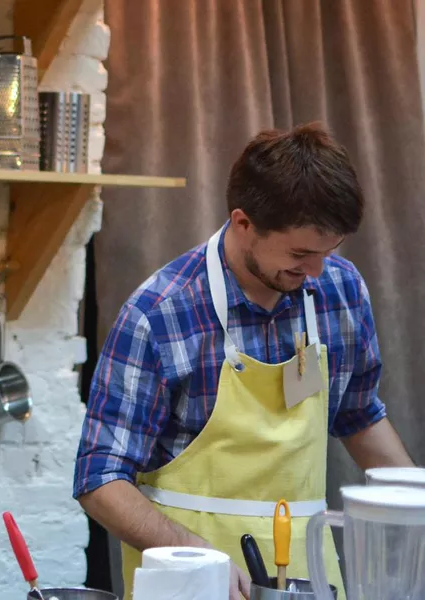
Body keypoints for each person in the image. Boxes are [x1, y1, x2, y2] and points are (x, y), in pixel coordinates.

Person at [73, 122, 416, 600]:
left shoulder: (340, 288)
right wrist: (194, 555)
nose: (316, 271)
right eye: (299, 253)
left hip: (311, 579)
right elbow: (99, 479)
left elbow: (359, 417)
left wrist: (416, 506)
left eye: (328, 251)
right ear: (242, 223)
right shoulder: (160, 314)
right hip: (193, 583)